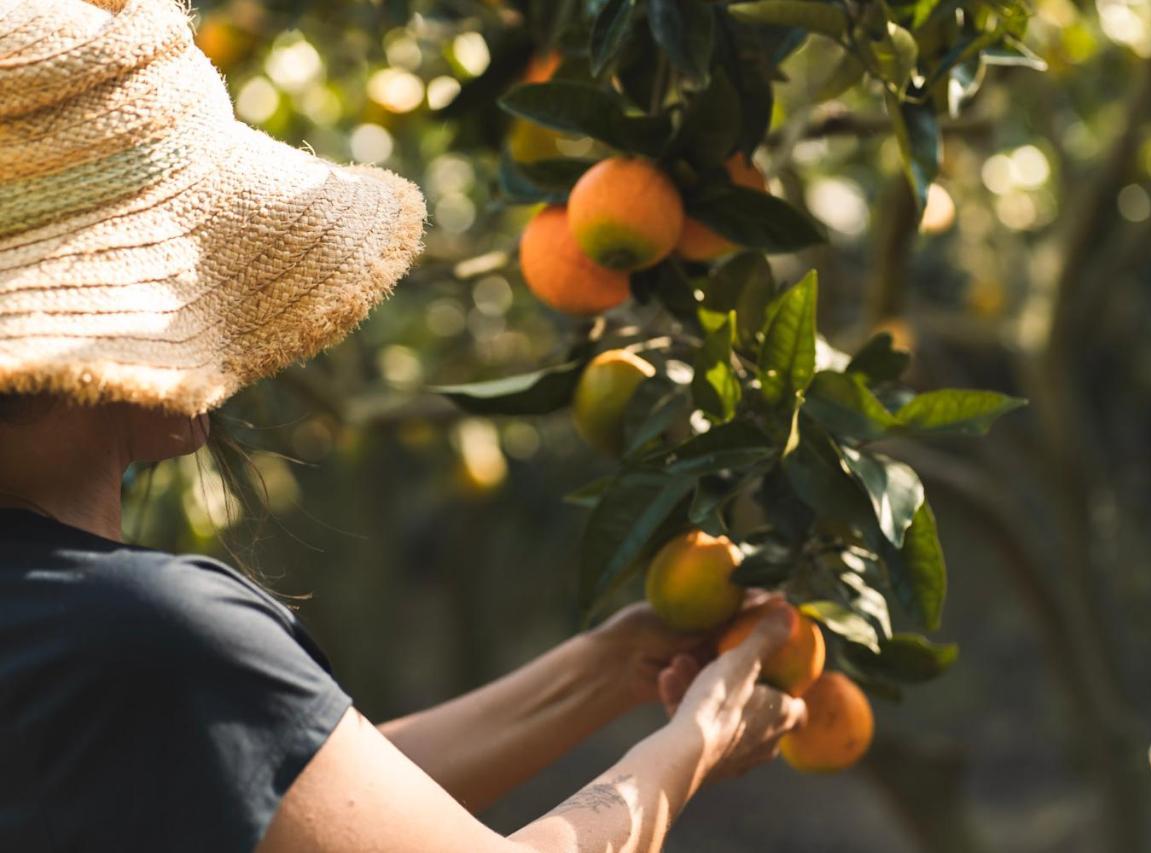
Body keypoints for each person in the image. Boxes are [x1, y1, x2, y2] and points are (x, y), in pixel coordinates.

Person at [0, 0, 808, 851]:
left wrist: (605, 669)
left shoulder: (68, 630)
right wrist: (693, 743)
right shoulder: (149, 630)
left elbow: (296, 786)